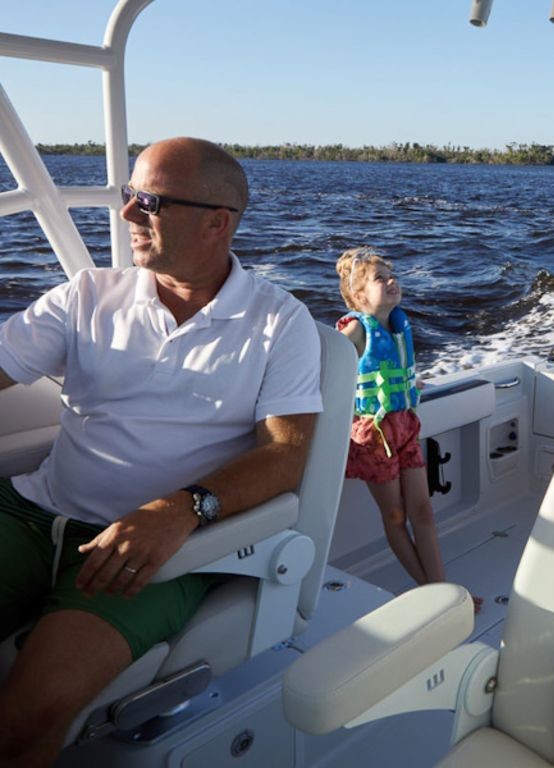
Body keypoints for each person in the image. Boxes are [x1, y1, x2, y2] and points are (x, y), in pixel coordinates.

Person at [0, 137, 323, 767]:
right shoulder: (88, 294)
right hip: (31, 513)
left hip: (157, 553)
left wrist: (181, 509)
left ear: (216, 223)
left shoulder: (279, 324)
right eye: (129, 195)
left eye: (148, 202)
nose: (125, 213)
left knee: (25, 718)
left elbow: (285, 457)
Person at [334, 247, 481, 610]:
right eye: (379, 279)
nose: (391, 281)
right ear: (359, 296)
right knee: (396, 516)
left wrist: (410, 385)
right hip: (373, 435)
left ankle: (441, 590)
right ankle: (435, 594)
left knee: (423, 510)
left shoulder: (397, 327)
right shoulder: (355, 330)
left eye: (392, 276)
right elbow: (326, 370)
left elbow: (392, 370)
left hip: (405, 426)